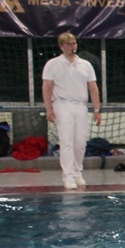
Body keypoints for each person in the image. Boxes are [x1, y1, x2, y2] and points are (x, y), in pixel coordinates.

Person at [42, 32, 102, 190]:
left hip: (81, 106)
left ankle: (77, 172)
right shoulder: (53, 64)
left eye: (74, 43)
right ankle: (68, 176)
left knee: (80, 142)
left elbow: (93, 88)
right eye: (68, 44)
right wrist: (48, 108)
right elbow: (47, 87)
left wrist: (97, 109)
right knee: (67, 141)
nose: (72, 46)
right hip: (63, 105)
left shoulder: (85, 65)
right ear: (61, 46)